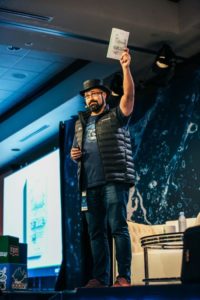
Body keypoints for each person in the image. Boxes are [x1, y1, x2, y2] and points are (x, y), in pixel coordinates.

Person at [70, 48, 136, 288]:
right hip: (89, 184)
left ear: (105, 97)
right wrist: (73, 154)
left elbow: (128, 98)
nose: (91, 98)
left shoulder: (116, 116)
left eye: (96, 93)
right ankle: (100, 277)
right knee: (95, 234)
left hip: (113, 180)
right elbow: (77, 149)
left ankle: (123, 277)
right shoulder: (81, 122)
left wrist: (126, 68)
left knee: (117, 228)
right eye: (87, 95)